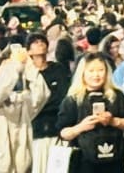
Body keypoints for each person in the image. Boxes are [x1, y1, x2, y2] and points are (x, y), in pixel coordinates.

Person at [0, 44, 50, 173]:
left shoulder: (23, 98)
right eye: (7, 67)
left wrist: (29, 65)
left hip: (21, 164)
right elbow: (2, 88)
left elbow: (42, 95)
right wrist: (14, 63)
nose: (15, 70)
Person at [58, 53, 124, 173]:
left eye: (100, 70)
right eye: (91, 71)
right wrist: (81, 127)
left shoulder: (117, 96)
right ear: (83, 73)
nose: (96, 75)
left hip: (114, 160)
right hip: (83, 162)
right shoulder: (73, 99)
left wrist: (113, 121)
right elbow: (62, 132)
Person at [28, 32, 72, 173]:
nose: (40, 43)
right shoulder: (26, 74)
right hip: (35, 130)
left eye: (42, 41)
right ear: (28, 50)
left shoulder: (58, 69)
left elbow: (63, 97)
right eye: (35, 42)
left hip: (56, 128)